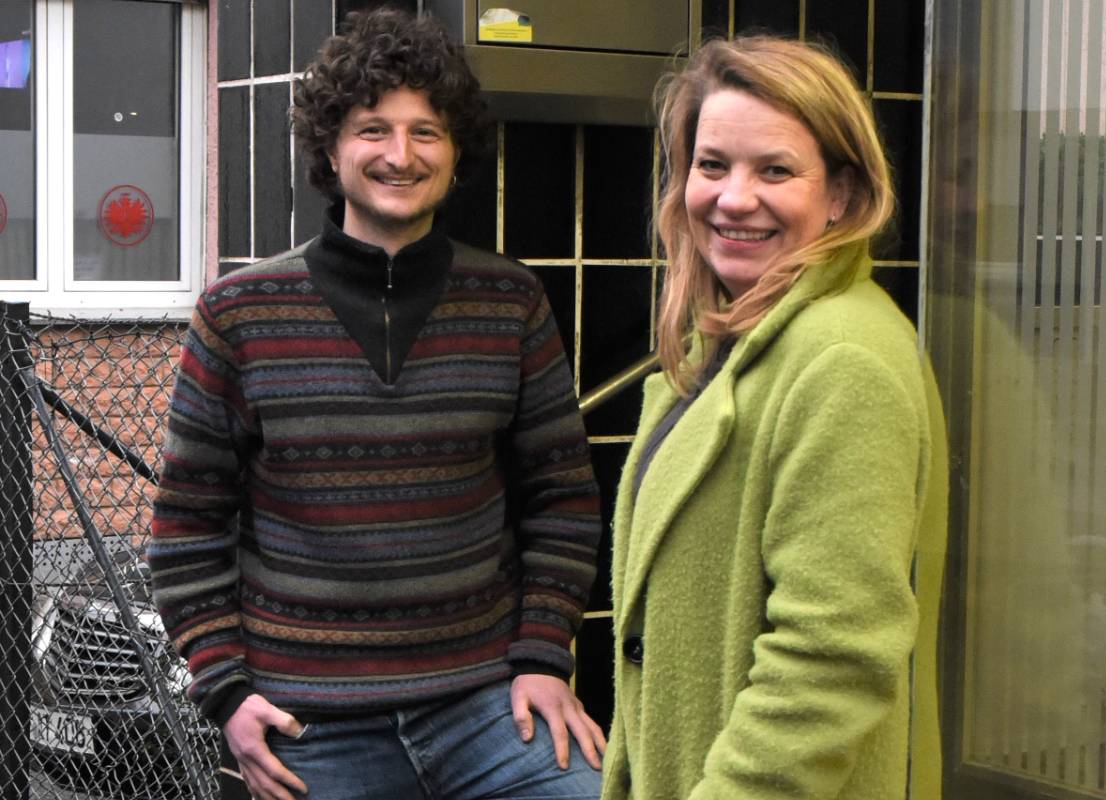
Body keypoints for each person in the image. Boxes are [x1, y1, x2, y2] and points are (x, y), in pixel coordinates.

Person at [148, 9, 605, 800]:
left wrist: (542, 656)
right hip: (310, 727)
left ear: (455, 149)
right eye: (373, 129)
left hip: (488, 708)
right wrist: (226, 694)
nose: (401, 155)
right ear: (330, 146)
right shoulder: (238, 315)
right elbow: (186, 529)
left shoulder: (511, 302)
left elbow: (562, 502)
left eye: (426, 131)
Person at [599, 36, 948, 800]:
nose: (732, 197)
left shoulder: (841, 356)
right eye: (712, 164)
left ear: (843, 197)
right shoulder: (731, 339)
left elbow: (832, 657)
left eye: (776, 170)